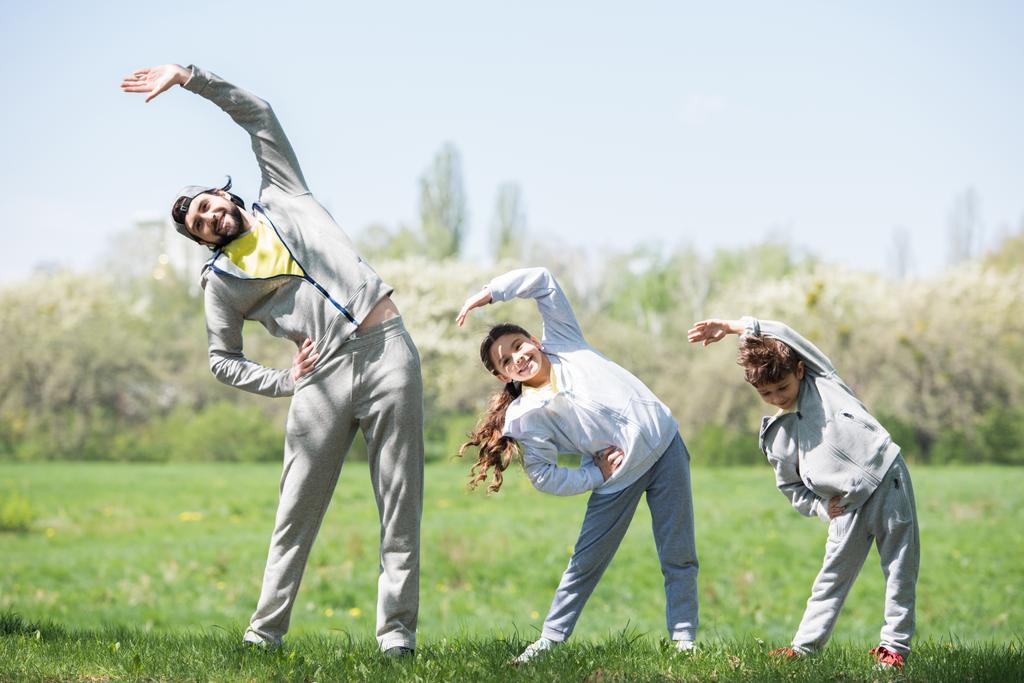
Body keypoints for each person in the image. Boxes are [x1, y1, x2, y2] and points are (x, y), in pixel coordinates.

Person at [121, 64, 424, 657]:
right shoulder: (222, 284)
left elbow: (257, 113)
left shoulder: (284, 194)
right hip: (320, 379)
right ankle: (264, 636)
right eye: (200, 225)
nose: (210, 217)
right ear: (203, 239)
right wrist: (285, 380)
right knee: (295, 512)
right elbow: (222, 360)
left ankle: (397, 638)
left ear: (224, 193)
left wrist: (188, 78)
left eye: (209, 205)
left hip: (390, 354)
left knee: (400, 501)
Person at [456, 267, 699, 664]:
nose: (518, 357)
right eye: (506, 360)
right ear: (502, 375)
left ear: (535, 340)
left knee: (679, 554)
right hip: (617, 478)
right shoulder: (527, 416)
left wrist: (489, 294)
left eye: (519, 345)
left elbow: (543, 281)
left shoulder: (566, 343)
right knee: (584, 564)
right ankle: (549, 640)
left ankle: (685, 640)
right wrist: (594, 473)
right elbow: (545, 474)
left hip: (667, 445)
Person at [687, 317, 919, 669]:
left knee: (900, 567)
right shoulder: (775, 437)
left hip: (888, 477)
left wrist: (736, 327)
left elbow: (781, 331)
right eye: (767, 394)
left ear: (798, 370)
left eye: (782, 386)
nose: (777, 397)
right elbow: (791, 487)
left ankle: (894, 648)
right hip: (845, 507)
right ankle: (804, 648)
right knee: (830, 578)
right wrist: (823, 508)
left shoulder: (823, 380)